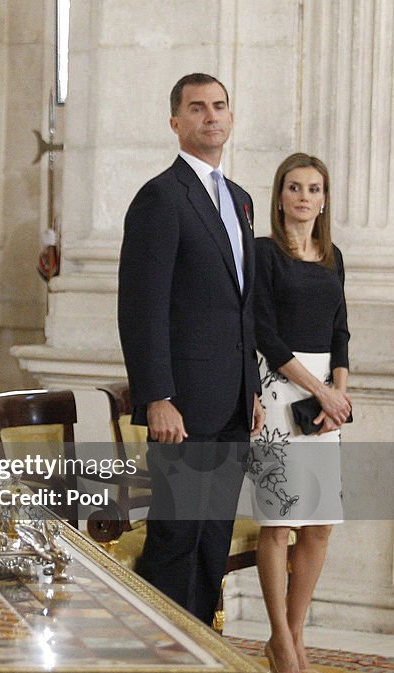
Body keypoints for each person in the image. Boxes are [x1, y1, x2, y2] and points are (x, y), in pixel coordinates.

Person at [117, 73, 264, 626]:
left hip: (231, 402)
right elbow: (141, 307)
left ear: (231, 117)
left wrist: (250, 389)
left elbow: (242, 307)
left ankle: (206, 670)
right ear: (176, 122)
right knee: (177, 539)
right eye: (197, 108)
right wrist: (157, 396)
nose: (211, 116)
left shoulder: (242, 200)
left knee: (212, 540)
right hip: (181, 406)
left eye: (220, 106)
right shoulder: (160, 197)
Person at [247, 153, 351, 673]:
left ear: (324, 199)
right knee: (280, 522)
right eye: (294, 187)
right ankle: (282, 644)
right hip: (277, 387)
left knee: (318, 526)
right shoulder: (263, 254)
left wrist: (340, 395)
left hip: (323, 400)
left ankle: (292, 634)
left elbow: (341, 333)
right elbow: (263, 331)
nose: (304, 196)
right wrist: (320, 392)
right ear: (280, 196)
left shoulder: (332, 256)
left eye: (314, 188)